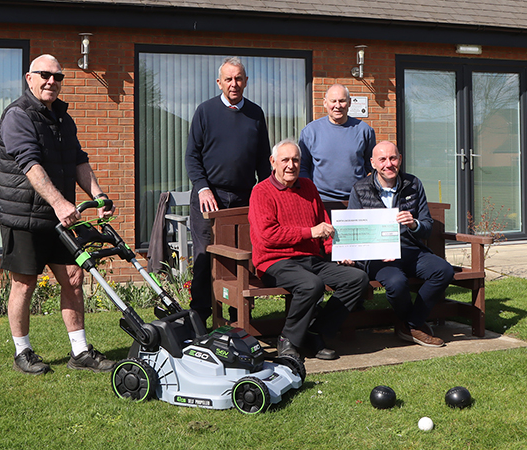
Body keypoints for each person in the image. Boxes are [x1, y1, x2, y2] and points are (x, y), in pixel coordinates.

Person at [0, 54, 117, 375]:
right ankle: (23, 352)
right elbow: (30, 164)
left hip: (59, 218)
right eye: (45, 75)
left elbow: (79, 160)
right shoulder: (17, 116)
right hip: (24, 216)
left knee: (74, 279)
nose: (52, 81)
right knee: (24, 283)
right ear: (29, 78)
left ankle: (80, 351)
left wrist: (98, 194)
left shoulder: (63, 118)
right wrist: (60, 203)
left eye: (58, 77)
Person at [249, 139, 369, 360]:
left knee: (357, 278)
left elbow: (323, 224)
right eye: (285, 160)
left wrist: (336, 252)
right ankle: (288, 340)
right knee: (311, 285)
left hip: (312, 260)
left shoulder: (308, 186)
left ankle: (315, 331)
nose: (290, 165)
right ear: (273, 162)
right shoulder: (261, 192)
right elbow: (268, 235)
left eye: (295, 160)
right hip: (274, 262)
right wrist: (309, 232)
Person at [185, 56, 271, 322]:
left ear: (246, 81)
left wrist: (266, 194)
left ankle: (239, 317)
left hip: (244, 199)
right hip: (209, 198)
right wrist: (202, 188)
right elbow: (192, 156)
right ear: (219, 82)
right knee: (204, 257)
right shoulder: (205, 111)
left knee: (241, 259)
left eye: (239, 78)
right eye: (228, 79)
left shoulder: (255, 114)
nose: (234, 84)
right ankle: (200, 316)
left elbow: (263, 160)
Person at [348, 141, 454, 347]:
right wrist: (375, 250)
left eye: (393, 158)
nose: (389, 164)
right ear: (373, 163)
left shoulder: (413, 184)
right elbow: (355, 232)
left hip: (410, 249)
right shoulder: (360, 189)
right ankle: (413, 326)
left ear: (400, 159)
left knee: (443, 270)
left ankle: (411, 324)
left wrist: (414, 224)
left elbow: (428, 226)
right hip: (379, 257)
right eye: (382, 159)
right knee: (397, 283)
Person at [298, 84, 376, 201]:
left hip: (355, 200)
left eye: (342, 101)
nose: (337, 106)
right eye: (333, 101)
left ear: (349, 103)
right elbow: (302, 167)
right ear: (325, 103)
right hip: (320, 200)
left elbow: (371, 166)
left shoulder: (364, 130)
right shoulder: (310, 132)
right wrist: (309, 193)